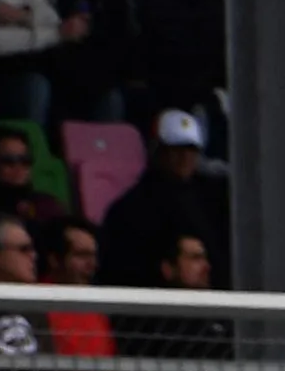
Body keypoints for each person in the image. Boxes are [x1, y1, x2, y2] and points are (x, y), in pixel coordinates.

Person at [99, 110, 231, 291]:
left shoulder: (212, 199)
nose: (185, 156)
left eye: (191, 149)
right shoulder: (132, 208)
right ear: (158, 150)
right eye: (177, 149)